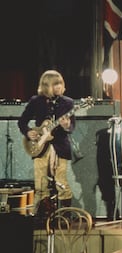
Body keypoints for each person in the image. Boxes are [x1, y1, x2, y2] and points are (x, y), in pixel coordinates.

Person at [18, 69, 75, 218]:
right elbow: (22, 122)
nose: (59, 87)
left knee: (61, 182)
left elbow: (72, 127)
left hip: (60, 147)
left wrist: (66, 125)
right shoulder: (36, 101)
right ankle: (41, 216)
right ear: (46, 85)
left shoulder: (68, 102)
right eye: (55, 84)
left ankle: (65, 216)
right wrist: (28, 132)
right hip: (39, 147)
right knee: (40, 185)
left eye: (60, 84)